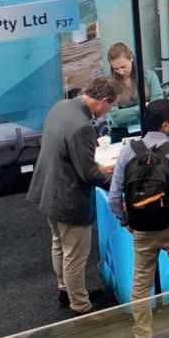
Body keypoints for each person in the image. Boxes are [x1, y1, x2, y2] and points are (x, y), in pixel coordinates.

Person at [107, 99, 169, 338]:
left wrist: (125, 221)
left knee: (141, 285)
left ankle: (142, 335)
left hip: (142, 228)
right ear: (165, 125)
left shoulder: (127, 151)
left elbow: (114, 197)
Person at [26, 78, 119, 316]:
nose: (108, 111)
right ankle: (80, 306)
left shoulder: (61, 106)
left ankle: (66, 290)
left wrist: (97, 167)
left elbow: (67, 154)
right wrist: (117, 180)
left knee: (59, 245)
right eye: (110, 107)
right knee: (75, 256)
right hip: (69, 199)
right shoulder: (82, 126)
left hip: (49, 192)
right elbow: (88, 175)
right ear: (103, 101)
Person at [105, 41, 163, 137]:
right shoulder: (110, 84)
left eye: (123, 67)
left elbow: (158, 105)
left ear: (131, 58)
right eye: (116, 69)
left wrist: (126, 113)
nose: (121, 72)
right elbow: (115, 117)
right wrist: (142, 108)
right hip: (122, 131)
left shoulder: (149, 76)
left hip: (149, 126)